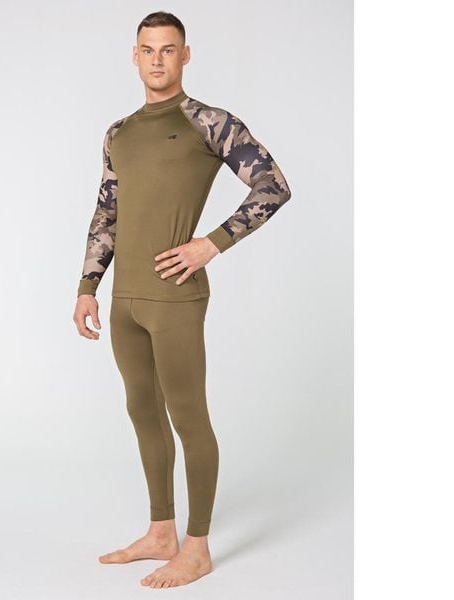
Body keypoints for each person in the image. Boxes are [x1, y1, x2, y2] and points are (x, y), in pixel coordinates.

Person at [72, 11, 292, 589]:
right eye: (148, 49)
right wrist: (88, 286)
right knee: (142, 411)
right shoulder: (119, 133)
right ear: (134, 55)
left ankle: (197, 548)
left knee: (188, 416)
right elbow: (106, 212)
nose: (157, 60)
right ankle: (161, 532)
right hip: (125, 299)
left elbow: (273, 185)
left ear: (185, 55)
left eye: (168, 49)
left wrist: (211, 243)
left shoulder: (209, 122)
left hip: (175, 297)